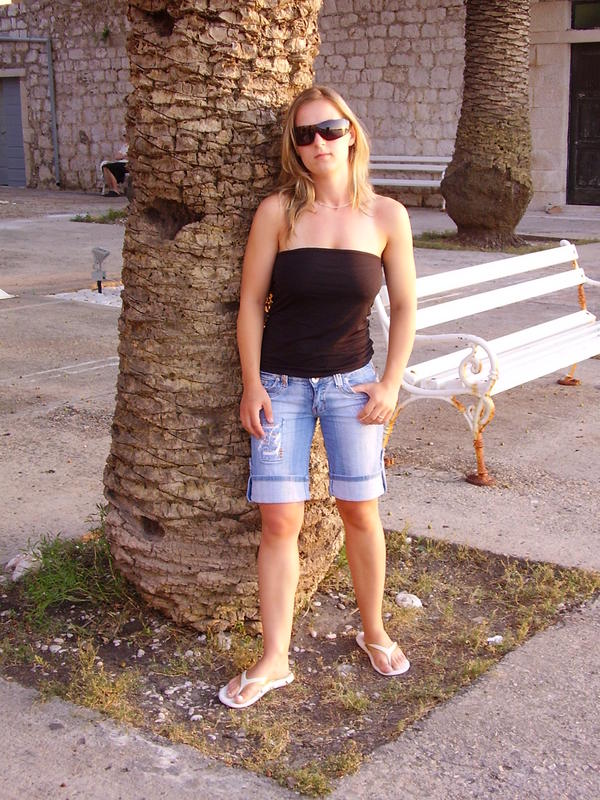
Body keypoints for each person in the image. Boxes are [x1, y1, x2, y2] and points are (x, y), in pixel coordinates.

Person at [219, 86, 417, 709]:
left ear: (351, 133)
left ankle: (374, 630)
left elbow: (405, 305)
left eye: (329, 129)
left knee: (360, 510)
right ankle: (275, 658)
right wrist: (252, 383)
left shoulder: (386, 216)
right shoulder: (277, 212)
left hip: (351, 386)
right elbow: (251, 303)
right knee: (280, 519)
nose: (318, 143)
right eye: (304, 135)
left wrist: (391, 382)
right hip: (280, 387)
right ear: (294, 147)